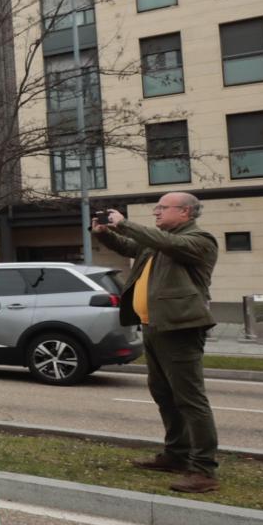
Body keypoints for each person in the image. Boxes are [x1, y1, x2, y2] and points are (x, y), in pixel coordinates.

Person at [93, 193, 221, 494]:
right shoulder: (159, 240)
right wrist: (106, 233)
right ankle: (176, 455)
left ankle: (204, 469)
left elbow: (168, 245)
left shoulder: (199, 239)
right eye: (157, 207)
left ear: (186, 212)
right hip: (154, 326)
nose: (156, 212)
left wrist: (124, 224)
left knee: (190, 399)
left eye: (163, 208)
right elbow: (130, 246)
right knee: (164, 394)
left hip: (180, 328)